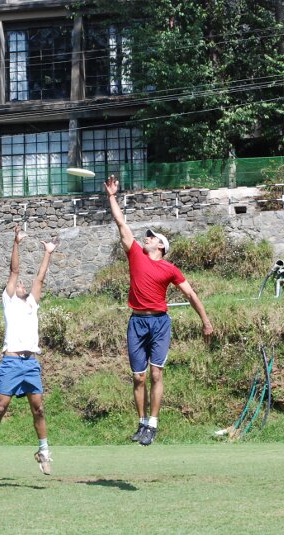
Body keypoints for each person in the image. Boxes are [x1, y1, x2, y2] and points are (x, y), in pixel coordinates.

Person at [103, 175, 214, 446]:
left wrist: (206, 321)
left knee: (156, 374)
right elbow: (121, 223)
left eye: (152, 237)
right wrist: (111, 196)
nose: (147, 237)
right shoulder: (135, 255)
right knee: (138, 377)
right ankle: (141, 423)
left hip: (160, 323)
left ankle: (153, 424)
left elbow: (190, 294)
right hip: (137, 323)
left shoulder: (170, 268)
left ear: (161, 246)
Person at [0, 224, 58, 477]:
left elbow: (40, 278)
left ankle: (44, 453)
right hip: (12, 362)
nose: (23, 285)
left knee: (39, 408)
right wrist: (16, 243)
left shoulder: (32, 303)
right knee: (1, 406)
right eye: (20, 284)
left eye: (24, 285)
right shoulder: (10, 301)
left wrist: (48, 252)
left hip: (30, 363)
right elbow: (15, 270)